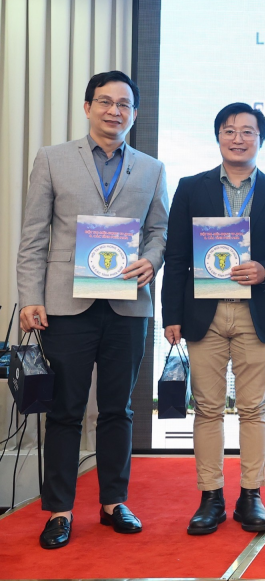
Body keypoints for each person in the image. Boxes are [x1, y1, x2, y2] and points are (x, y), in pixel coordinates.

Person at [17, 71, 169, 549]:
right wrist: (30, 298)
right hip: (66, 304)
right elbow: (34, 236)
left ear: (134, 114)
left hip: (127, 307)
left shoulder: (151, 168)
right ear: (87, 108)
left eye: (124, 104)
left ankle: (112, 502)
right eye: (105, 102)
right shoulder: (53, 159)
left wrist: (153, 258)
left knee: (118, 410)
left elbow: (159, 230)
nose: (114, 111)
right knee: (64, 409)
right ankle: (59, 511)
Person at [161, 103, 265, 535]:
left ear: (261, 138)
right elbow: (177, 256)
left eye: (248, 131)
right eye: (229, 130)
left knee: (254, 408)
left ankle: (251, 496)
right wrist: (171, 315)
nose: (238, 138)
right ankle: (211, 497)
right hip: (203, 311)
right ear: (218, 136)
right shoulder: (191, 188)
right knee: (206, 409)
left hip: (254, 311)